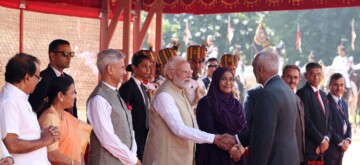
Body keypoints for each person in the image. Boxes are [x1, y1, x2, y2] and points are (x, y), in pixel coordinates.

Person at [142, 56, 236, 165]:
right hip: (165, 159)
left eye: (190, 71)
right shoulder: (164, 95)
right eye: (185, 72)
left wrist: (217, 139)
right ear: (171, 73)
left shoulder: (180, 92)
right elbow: (179, 129)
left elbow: (192, 126)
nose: (190, 75)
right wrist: (214, 138)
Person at [0, 53, 60, 165]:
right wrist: (44, 140)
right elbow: (11, 144)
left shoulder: (21, 98)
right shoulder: (9, 102)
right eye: (38, 77)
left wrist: (42, 134)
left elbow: (25, 134)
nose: (38, 82)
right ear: (27, 77)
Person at [87, 49, 140, 165]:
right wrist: (132, 159)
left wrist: (132, 155)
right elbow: (107, 138)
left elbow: (129, 129)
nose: (125, 72)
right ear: (110, 69)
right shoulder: (98, 99)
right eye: (121, 67)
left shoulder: (114, 94)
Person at [249, 50, 299, 164]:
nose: (253, 71)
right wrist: (237, 139)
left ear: (260, 69)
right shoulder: (287, 89)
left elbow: (264, 138)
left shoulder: (268, 93)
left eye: (253, 67)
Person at [196, 67, 247, 165]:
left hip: (237, 155)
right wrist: (230, 148)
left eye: (231, 79)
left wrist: (241, 147)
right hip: (215, 156)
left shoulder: (236, 104)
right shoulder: (206, 103)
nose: (228, 82)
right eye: (223, 79)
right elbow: (208, 131)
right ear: (216, 81)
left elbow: (245, 128)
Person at [39, 77, 92, 165]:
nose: (75, 96)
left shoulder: (65, 116)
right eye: (73, 93)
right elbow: (52, 154)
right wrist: (74, 163)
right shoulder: (51, 118)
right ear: (60, 96)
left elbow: (78, 148)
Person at [29, 39, 77, 118]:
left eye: (71, 54)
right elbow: (36, 107)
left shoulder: (69, 79)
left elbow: (73, 109)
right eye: (65, 54)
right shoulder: (42, 79)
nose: (69, 58)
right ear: (53, 55)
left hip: (69, 125)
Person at [119, 53, 152, 161]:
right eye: (144, 66)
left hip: (144, 133)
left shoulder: (143, 87)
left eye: (149, 66)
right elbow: (122, 113)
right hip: (132, 133)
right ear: (134, 67)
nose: (148, 70)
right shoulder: (127, 87)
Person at [297, 62, 331, 163]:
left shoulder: (323, 94)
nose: (316, 78)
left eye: (319, 74)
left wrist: (326, 139)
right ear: (306, 75)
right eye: (312, 74)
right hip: (310, 148)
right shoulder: (302, 93)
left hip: (323, 148)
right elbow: (306, 120)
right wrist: (321, 140)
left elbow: (328, 120)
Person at [324, 73, 352, 165]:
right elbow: (329, 126)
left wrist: (348, 140)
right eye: (336, 85)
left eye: (341, 85)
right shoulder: (325, 102)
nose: (339, 88)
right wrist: (341, 142)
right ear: (330, 86)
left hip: (341, 150)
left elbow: (347, 123)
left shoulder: (344, 103)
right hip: (330, 150)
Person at [281, 65, 306, 165]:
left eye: (295, 77)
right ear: (282, 78)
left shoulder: (298, 98)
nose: (292, 80)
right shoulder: (279, 98)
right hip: (284, 155)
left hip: (299, 154)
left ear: (299, 79)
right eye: (289, 77)